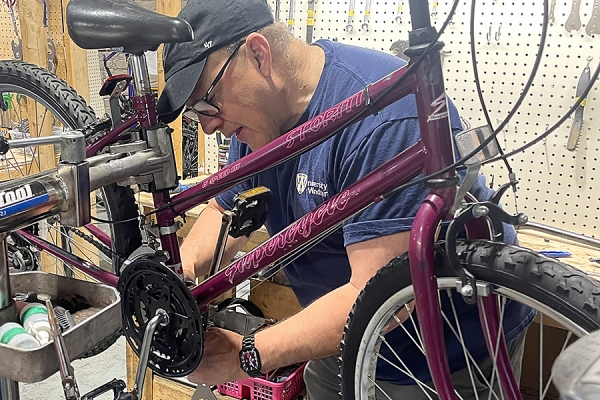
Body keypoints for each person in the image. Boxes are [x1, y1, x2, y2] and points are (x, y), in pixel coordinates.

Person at [156, 0, 535, 398]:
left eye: (207, 102)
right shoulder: (257, 123)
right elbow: (226, 209)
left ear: (258, 55)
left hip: (448, 349)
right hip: (338, 334)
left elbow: (379, 297)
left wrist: (246, 354)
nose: (209, 124)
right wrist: (181, 272)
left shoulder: (383, 117)